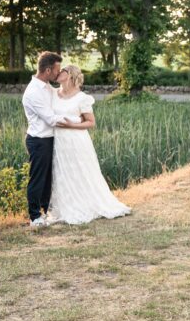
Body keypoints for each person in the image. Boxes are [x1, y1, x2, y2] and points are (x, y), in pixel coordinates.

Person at [46, 65, 131, 225]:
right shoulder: (54, 93)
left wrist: (72, 125)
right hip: (59, 141)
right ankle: (67, 206)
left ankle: (87, 204)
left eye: (62, 71)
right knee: (63, 173)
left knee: (81, 172)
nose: (58, 73)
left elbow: (91, 122)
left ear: (70, 75)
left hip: (77, 141)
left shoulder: (81, 98)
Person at [22, 52, 68, 227]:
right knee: (38, 178)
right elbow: (51, 119)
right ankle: (34, 217)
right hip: (39, 140)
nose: (59, 73)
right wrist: (77, 124)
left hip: (50, 138)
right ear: (48, 70)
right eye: (57, 69)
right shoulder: (33, 92)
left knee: (49, 178)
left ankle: (45, 211)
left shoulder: (48, 87)